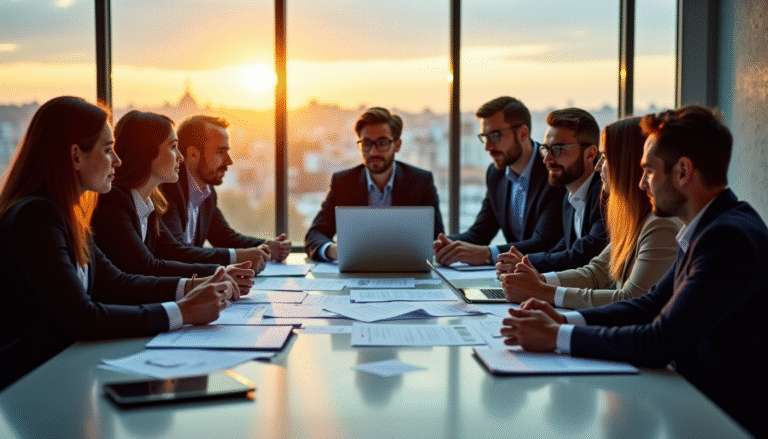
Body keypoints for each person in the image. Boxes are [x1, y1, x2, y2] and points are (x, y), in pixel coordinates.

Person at [500, 106, 765, 436]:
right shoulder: (707, 228)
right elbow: (650, 304)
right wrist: (564, 320)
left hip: (726, 421)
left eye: (649, 171)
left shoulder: (727, 239)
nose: (641, 184)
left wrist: (557, 337)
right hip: (696, 406)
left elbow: (660, 340)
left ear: (683, 172)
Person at [0, 97, 235, 390]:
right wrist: (183, 311)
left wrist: (192, 287)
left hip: (65, 369)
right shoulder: (36, 217)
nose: (118, 161)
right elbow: (83, 318)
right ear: (75, 156)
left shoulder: (68, 214)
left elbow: (117, 283)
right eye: (108, 150)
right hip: (30, 382)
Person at [497, 117, 680, 309]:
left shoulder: (660, 225)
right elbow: (595, 273)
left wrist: (543, 291)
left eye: (606, 157)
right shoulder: (633, 219)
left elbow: (631, 299)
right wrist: (538, 280)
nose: (598, 166)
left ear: (627, 165)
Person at [91, 111, 256, 294]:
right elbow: (148, 267)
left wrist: (220, 273)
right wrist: (216, 275)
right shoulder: (112, 204)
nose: (181, 156)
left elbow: (165, 254)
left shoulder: (151, 201)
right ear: (147, 151)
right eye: (173, 147)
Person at [434, 96, 565, 266]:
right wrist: (443, 245)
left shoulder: (553, 171)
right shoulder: (496, 174)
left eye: (495, 136)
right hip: (512, 278)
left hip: (547, 279)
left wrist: (489, 254)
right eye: (485, 137)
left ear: (523, 134)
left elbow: (545, 243)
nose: (487, 147)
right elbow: (480, 234)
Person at [304, 107, 444, 261]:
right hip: (357, 271)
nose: (373, 152)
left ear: (397, 145)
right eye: (366, 143)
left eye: (382, 143)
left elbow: (437, 238)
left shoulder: (421, 182)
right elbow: (315, 234)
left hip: (407, 270)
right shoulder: (343, 183)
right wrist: (333, 250)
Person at [160, 114, 289, 268]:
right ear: (193, 154)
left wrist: (268, 247)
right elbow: (177, 254)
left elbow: (224, 238)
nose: (229, 161)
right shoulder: (167, 190)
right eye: (220, 152)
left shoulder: (206, 192)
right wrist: (236, 257)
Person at [500, 108, 608, 272]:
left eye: (557, 149)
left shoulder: (604, 195)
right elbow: (562, 250)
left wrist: (524, 263)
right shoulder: (569, 196)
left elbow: (585, 255)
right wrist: (521, 265)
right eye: (545, 149)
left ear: (590, 154)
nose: (547, 159)